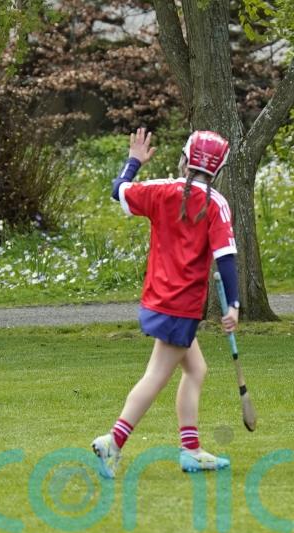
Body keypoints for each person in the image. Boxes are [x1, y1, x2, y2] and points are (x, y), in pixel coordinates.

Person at [91, 128, 240, 477]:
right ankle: (113, 441)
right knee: (156, 376)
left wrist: (134, 161)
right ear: (218, 169)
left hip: (158, 301)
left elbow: (119, 190)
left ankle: (191, 450)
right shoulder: (216, 204)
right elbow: (226, 258)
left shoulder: (161, 190)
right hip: (181, 307)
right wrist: (233, 305)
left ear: (186, 159)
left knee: (196, 370)